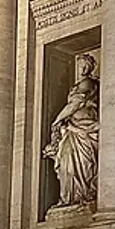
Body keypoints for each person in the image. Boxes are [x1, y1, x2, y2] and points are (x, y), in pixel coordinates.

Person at [44, 55, 100, 208]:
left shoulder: (88, 83)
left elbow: (76, 104)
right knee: (66, 162)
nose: (83, 68)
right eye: (81, 65)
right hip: (73, 128)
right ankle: (69, 198)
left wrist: (57, 119)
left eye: (86, 65)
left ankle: (82, 195)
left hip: (84, 128)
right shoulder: (77, 85)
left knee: (82, 163)